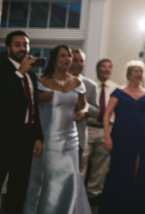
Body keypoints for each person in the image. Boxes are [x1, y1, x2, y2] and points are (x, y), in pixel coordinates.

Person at [23, 45, 91, 214]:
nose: (68, 59)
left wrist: (83, 112)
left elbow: (83, 106)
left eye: (69, 56)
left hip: (71, 140)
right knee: (51, 179)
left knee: (71, 178)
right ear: (54, 59)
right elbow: (34, 113)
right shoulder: (42, 83)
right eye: (63, 56)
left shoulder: (77, 82)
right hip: (50, 139)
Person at [100, 60, 145, 214]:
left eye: (140, 71)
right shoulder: (118, 92)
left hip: (140, 137)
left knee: (138, 171)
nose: (138, 74)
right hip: (121, 135)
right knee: (119, 170)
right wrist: (107, 137)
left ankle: (134, 208)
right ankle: (117, 208)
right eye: (135, 71)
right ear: (129, 74)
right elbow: (106, 115)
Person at [0, 30, 44, 214]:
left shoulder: (30, 74)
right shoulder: (3, 67)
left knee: (18, 187)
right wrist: (19, 73)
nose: (22, 49)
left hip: (25, 138)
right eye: (17, 45)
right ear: (8, 48)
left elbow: (33, 108)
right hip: (3, 136)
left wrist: (37, 137)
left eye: (25, 45)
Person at [84, 58, 118, 201]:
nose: (106, 69)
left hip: (106, 130)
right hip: (89, 128)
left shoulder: (116, 88)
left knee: (101, 164)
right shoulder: (88, 85)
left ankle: (94, 194)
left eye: (109, 67)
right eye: (103, 66)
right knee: (82, 161)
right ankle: (78, 193)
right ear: (97, 69)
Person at [69, 48, 99, 176]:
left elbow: (97, 111)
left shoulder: (90, 85)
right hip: (59, 133)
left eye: (82, 61)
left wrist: (84, 108)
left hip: (79, 134)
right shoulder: (59, 82)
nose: (79, 64)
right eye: (75, 60)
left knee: (77, 173)